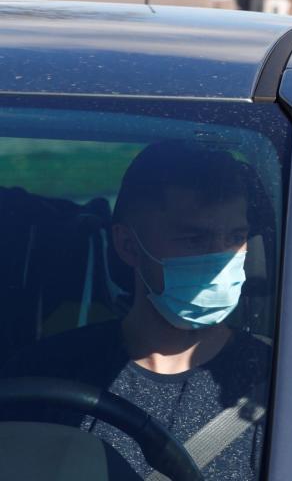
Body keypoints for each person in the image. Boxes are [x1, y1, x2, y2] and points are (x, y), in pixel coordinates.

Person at [2, 140, 272, 480]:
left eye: (236, 237)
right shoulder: (42, 374)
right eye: (194, 239)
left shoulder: (275, 384)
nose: (220, 259)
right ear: (129, 246)